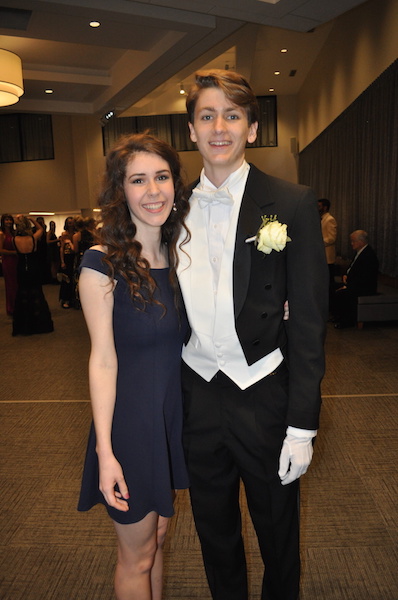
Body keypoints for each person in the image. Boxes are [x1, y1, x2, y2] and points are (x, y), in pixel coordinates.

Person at [177, 70, 328, 600]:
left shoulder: (289, 203)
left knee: (278, 535)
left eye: (233, 115)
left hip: (264, 392)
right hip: (197, 393)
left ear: (253, 128)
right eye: (207, 115)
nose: (220, 127)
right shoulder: (167, 209)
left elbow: (308, 323)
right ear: (191, 130)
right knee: (213, 537)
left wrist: (302, 426)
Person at [77, 132, 190, 600]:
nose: (153, 191)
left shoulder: (181, 255)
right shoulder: (100, 264)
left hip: (173, 419)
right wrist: (106, 453)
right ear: (120, 192)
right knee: (136, 556)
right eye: (138, 180)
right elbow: (102, 360)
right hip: (132, 426)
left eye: (161, 177)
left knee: (159, 540)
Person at [12, 215, 54, 336]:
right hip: (33, 268)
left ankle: (24, 324)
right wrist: (31, 219)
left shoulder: (14, 239)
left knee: (22, 293)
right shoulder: (33, 238)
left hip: (21, 269)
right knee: (36, 292)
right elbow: (41, 229)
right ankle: (39, 323)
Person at [332, 229, 379, 328]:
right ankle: (338, 316)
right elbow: (352, 269)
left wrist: (348, 286)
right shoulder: (359, 252)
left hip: (364, 287)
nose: (351, 243)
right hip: (355, 283)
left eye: (353, 241)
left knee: (344, 294)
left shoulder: (368, 255)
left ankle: (347, 321)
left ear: (361, 242)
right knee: (332, 287)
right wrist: (346, 275)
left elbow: (365, 278)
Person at [318, 198, 337, 297]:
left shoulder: (330, 219)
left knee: (329, 281)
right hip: (321, 256)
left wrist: (318, 242)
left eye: (319, 206)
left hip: (328, 257)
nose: (317, 208)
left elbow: (331, 238)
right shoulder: (320, 218)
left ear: (325, 208)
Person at [0, 214, 18, 316]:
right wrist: (14, 253)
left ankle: (18, 305)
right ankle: (11, 307)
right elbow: (1, 250)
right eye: (6, 220)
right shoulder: (1, 234)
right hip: (8, 261)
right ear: (3, 222)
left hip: (16, 260)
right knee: (10, 285)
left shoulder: (13, 233)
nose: (8, 222)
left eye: (10, 220)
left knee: (17, 283)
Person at [59, 216, 76, 308]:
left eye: (72, 222)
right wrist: (62, 261)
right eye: (69, 222)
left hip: (74, 256)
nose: (71, 224)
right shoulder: (64, 234)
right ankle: (66, 299)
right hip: (66, 257)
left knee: (74, 278)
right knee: (66, 279)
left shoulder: (76, 234)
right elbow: (61, 248)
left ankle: (73, 298)